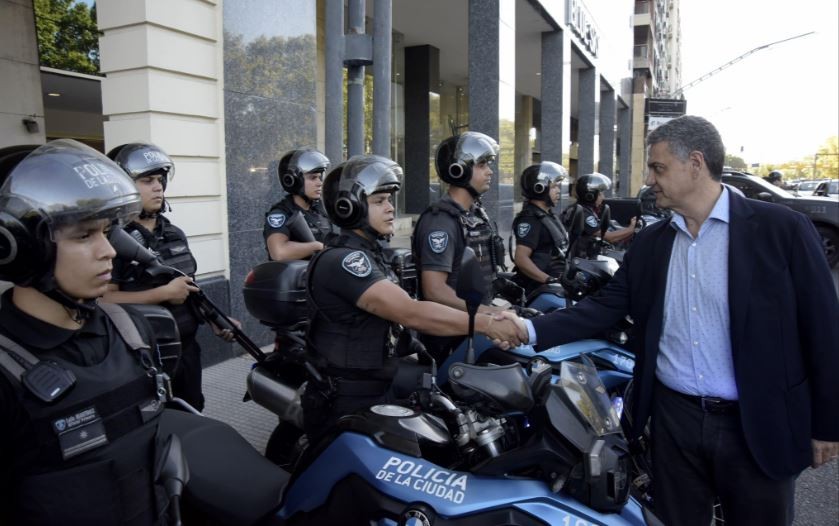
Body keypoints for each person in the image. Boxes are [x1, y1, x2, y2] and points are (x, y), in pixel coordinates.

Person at [509, 115, 839, 525]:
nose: (649, 179)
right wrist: (528, 328)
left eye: (658, 168)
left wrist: (828, 423)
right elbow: (605, 306)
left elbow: (824, 330)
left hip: (757, 424)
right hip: (673, 423)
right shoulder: (652, 242)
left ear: (695, 163)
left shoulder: (782, 229)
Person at [0, 140, 169, 524]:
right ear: (20, 247)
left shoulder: (132, 331)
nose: (108, 250)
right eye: (83, 236)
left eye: (107, 232)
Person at [302, 154, 522, 442]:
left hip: (379, 384)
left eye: (390, 199)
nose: (391, 208)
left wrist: (490, 315)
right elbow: (411, 312)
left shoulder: (372, 254)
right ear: (348, 206)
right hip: (350, 400)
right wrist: (486, 324)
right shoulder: (345, 261)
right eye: (379, 201)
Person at [103, 142, 233, 412]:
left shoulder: (173, 232)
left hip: (186, 349)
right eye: (147, 180)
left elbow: (189, 286)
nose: (158, 186)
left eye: (160, 179)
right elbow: (103, 299)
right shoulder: (111, 239)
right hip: (142, 356)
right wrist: (161, 295)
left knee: (192, 409)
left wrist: (214, 319)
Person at [411, 132, 508, 361]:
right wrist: (487, 313)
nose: (489, 171)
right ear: (459, 168)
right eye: (482, 164)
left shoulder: (473, 215)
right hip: (450, 341)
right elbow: (434, 290)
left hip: (474, 329)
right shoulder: (441, 222)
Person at [264, 148, 335, 261]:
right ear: (293, 180)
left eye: (319, 177)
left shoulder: (321, 209)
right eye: (313, 178)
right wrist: (316, 247)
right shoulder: (281, 214)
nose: (319, 183)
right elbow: (278, 253)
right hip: (296, 277)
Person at [512, 161, 569, 295]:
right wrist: (548, 280)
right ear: (540, 188)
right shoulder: (530, 219)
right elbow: (521, 258)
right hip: (539, 291)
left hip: (555, 287)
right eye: (554, 186)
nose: (558, 191)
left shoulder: (546, 215)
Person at [562, 172, 636, 256]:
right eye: (600, 194)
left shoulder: (584, 209)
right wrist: (631, 229)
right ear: (590, 195)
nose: (603, 197)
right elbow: (609, 237)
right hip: (579, 260)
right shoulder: (583, 213)